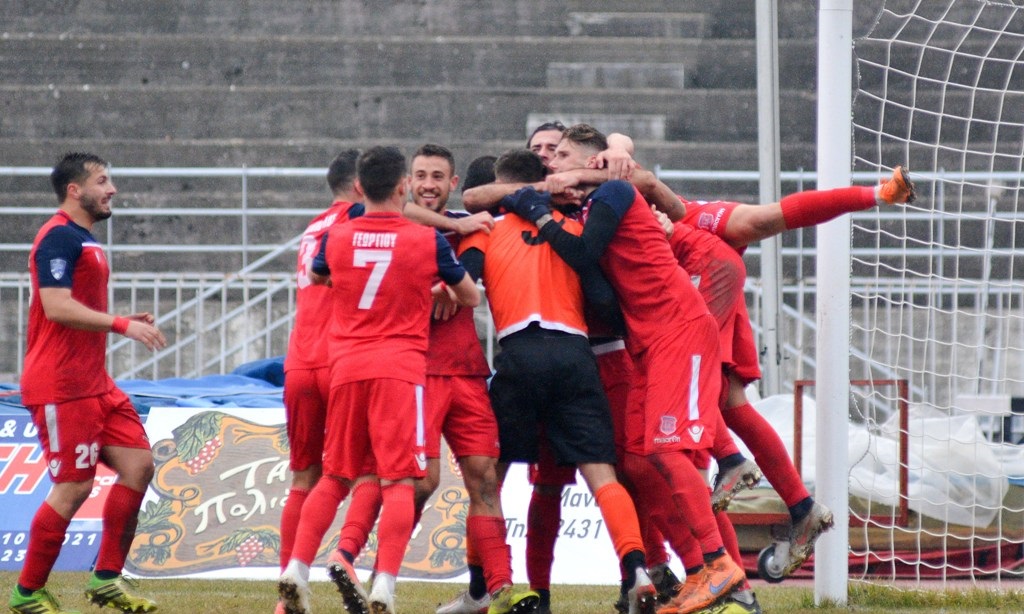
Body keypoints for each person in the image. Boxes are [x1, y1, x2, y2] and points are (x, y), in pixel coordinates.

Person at [502, 125, 747, 614]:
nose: (550, 160)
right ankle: (682, 572)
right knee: (638, 461)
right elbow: (479, 195)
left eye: (560, 152)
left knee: (670, 451)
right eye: (542, 153)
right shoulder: (581, 202)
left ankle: (723, 566)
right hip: (638, 346)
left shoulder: (612, 191)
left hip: (670, 331)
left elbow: (585, 256)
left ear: (592, 160)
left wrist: (545, 206)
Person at [277, 146, 480, 614]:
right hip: (400, 371)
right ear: (404, 185)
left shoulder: (337, 236)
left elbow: (319, 277)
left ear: (360, 187)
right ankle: (384, 584)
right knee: (399, 481)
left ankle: (296, 568)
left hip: (346, 366)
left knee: (333, 476)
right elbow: (470, 296)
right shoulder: (425, 240)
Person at [458, 148, 658, 614]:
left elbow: (464, 281)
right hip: (574, 355)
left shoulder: (487, 230)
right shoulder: (573, 229)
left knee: (487, 482)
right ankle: (636, 569)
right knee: (600, 473)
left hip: (520, 354)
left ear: (503, 187)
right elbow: (603, 293)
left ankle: (481, 586)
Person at [10, 152, 166, 614]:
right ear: (74, 190)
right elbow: (56, 306)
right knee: (74, 487)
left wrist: (118, 319)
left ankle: (106, 579)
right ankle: (26, 593)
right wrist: (120, 325)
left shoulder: (82, 239)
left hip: (95, 383)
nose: (111, 188)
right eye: (102, 181)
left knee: (138, 466)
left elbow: (73, 306)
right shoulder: (58, 236)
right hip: (62, 385)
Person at [275, 150, 365, 614]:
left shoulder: (314, 227)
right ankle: (346, 556)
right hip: (339, 359)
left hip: (299, 362)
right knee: (369, 470)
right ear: (360, 186)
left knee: (303, 477)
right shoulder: (357, 217)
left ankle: (286, 592)